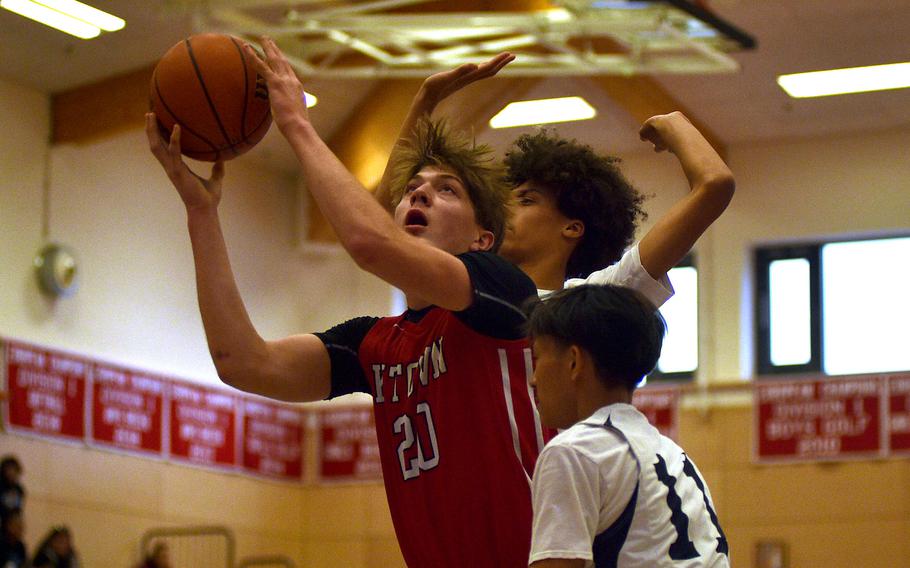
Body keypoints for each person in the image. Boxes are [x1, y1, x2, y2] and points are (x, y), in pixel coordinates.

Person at [146, 37, 541, 567]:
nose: (419, 195)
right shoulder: (376, 344)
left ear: (482, 238)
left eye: (446, 190)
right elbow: (242, 361)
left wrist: (297, 124)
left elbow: (371, 242)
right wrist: (202, 213)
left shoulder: (502, 290)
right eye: (412, 189)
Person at [375, 58, 735, 307]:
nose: (504, 207)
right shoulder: (466, 282)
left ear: (572, 228)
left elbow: (714, 184)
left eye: (527, 199)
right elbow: (380, 218)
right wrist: (425, 101)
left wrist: (675, 125)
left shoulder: (593, 299)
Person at [525, 285, 728, 567]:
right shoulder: (675, 456)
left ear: (573, 362)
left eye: (538, 358)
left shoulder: (573, 451)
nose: (533, 379)